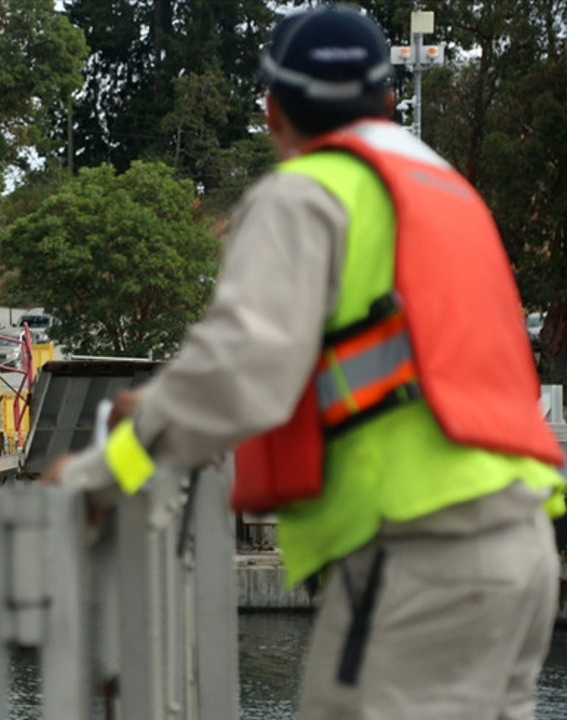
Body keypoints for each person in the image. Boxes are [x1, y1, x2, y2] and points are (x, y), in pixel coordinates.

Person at [47, 4, 566, 718]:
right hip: (525, 551)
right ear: (387, 101)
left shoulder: (306, 195)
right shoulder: (447, 195)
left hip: (420, 558)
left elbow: (241, 374)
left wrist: (103, 473)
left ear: (272, 112)